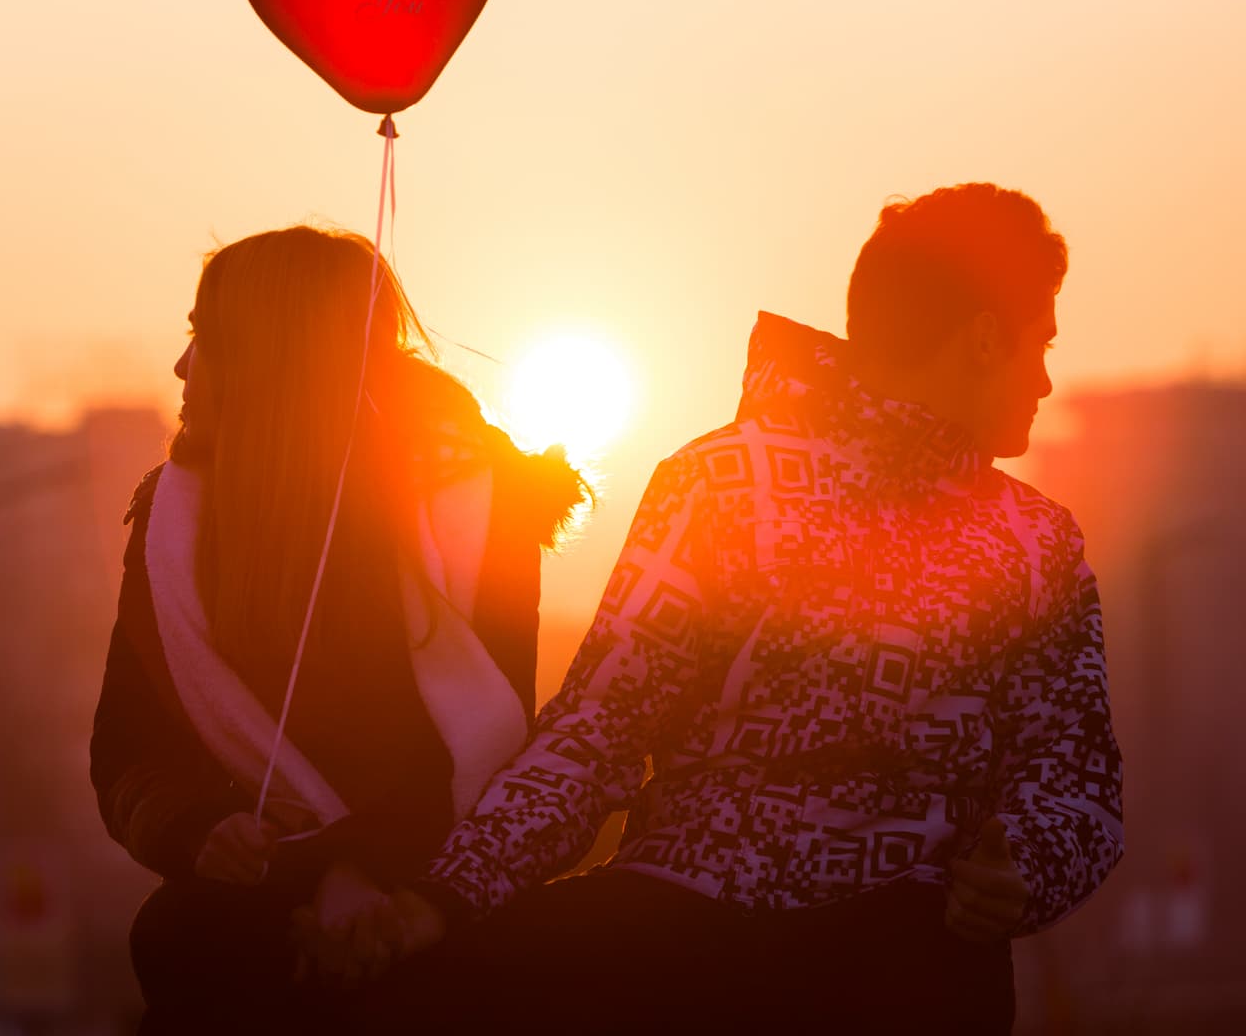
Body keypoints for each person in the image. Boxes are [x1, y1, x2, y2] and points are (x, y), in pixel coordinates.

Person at [340, 183, 1123, 1034]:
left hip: (870, 951)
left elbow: (1074, 783)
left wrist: (1026, 873)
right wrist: (446, 896)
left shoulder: (1031, 538)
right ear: (982, 338)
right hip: (720, 948)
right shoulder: (731, 485)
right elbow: (601, 731)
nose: (1046, 378)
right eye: (1040, 341)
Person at [89, 225, 586, 1033]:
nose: (181, 367)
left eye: (203, 339)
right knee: (180, 936)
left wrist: (363, 873)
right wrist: (197, 830)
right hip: (265, 890)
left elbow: (484, 745)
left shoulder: (476, 507)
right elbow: (128, 749)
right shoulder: (169, 526)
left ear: (270, 360)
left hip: (437, 872)